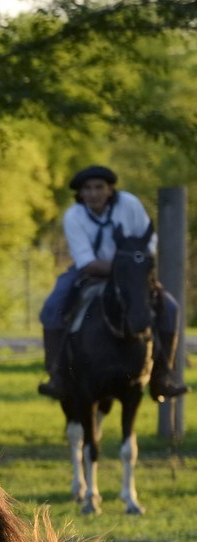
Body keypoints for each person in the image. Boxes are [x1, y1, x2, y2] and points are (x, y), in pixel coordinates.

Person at [37, 164, 188, 401]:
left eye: (99, 187)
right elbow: (85, 260)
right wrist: (122, 267)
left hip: (134, 273)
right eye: (88, 189)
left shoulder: (130, 204)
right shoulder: (74, 216)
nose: (94, 193)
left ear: (110, 190)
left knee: (170, 307)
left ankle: (164, 375)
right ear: (81, 193)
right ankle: (57, 374)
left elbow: (149, 240)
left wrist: (136, 266)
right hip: (91, 271)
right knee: (53, 305)